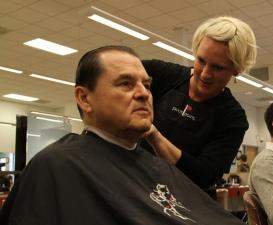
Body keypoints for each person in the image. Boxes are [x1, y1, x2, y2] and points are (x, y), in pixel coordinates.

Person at [0, 46, 245, 225]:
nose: (143, 94)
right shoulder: (56, 166)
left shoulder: (159, 166)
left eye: (147, 86)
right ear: (85, 98)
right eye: (125, 84)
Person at [142, 16, 257, 191]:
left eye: (218, 68)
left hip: (181, 198)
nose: (204, 74)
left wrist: (155, 138)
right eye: (201, 61)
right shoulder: (161, 74)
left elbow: (204, 175)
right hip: (135, 182)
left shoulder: (233, 118)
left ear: (236, 70)